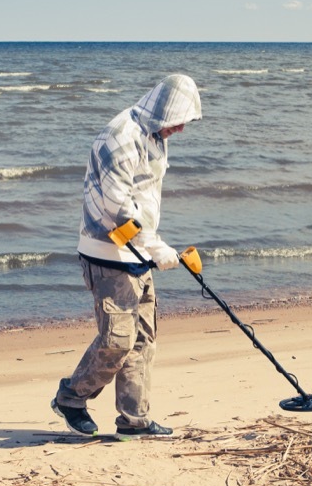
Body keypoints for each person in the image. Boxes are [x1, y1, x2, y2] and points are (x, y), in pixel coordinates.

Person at [51, 74, 202, 439]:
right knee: (117, 340)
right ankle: (72, 397)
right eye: (179, 119)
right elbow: (117, 207)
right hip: (107, 253)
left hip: (139, 250)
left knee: (142, 339)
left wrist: (152, 246)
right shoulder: (118, 137)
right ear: (164, 108)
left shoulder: (154, 136)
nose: (180, 129)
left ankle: (134, 421)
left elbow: (143, 196)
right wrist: (155, 247)